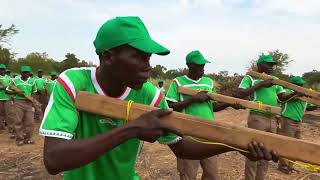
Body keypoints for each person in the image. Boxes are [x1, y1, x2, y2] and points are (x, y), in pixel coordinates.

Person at [40, 16, 278, 180]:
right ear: (108, 56)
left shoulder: (150, 95)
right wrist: (131, 129)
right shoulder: (72, 83)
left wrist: (234, 145)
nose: (147, 67)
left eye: (149, 58)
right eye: (139, 57)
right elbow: (54, 159)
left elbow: (182, 147)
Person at [166, 50, 243, 180]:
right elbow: (169, 106)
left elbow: (212, 107)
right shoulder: (178, 82)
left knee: (212, 174)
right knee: (189, 174)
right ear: (189, 66)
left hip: (210, 133)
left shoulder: (208, 82)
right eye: (199, 66)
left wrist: (229, 104)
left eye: (203, 65)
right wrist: (192, 99)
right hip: (189, 135)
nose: (202, 68)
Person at [235, 54, 297, 180]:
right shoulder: (250, 77)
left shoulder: (275, 80)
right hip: (258, 118)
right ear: (259, 65)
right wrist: (262, 84)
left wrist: (296, 93)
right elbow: (240, 93)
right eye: (268, 64)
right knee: (253, 151)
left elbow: (282, 98)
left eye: (272, 65)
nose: (271, 67)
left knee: (267, 153)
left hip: (273, 120)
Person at [277, 76, 318, 174]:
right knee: (286, 143)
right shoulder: (286, 91)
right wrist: (298, 94)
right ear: (294, 85)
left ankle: (290, 166)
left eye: (302, 85)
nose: (301, 86)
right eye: (299, 85)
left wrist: (316, 104)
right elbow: (284, 100)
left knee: (297, 145)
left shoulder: (303, 95)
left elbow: (308, 107)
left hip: (298, 122)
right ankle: (283, 165)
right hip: (287, 120)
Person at [7, 66, 37, 146]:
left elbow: (34, 92)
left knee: (30, 122)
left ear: (29, 73)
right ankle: (19, 139)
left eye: (27, 72)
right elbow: (7, 91)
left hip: (29, 103)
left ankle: (28, 139)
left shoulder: (32, 81)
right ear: (21, 72)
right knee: (18, 121)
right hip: (18, 102)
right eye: (24, 72)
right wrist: (17, 93)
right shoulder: (15, 80)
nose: (25, 74)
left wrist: (32, 99)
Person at [0, 64, 12, 133]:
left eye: (2, 69)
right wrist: (2, 88)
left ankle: (11, 128)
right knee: (1, 114)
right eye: (0, 69)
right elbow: (4, 87)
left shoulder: (9, 78)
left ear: (5, 70)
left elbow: (11, 87)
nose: (1, 70)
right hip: (0, 98)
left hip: (7, 98)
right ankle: (1, 128)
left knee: (9, 114)